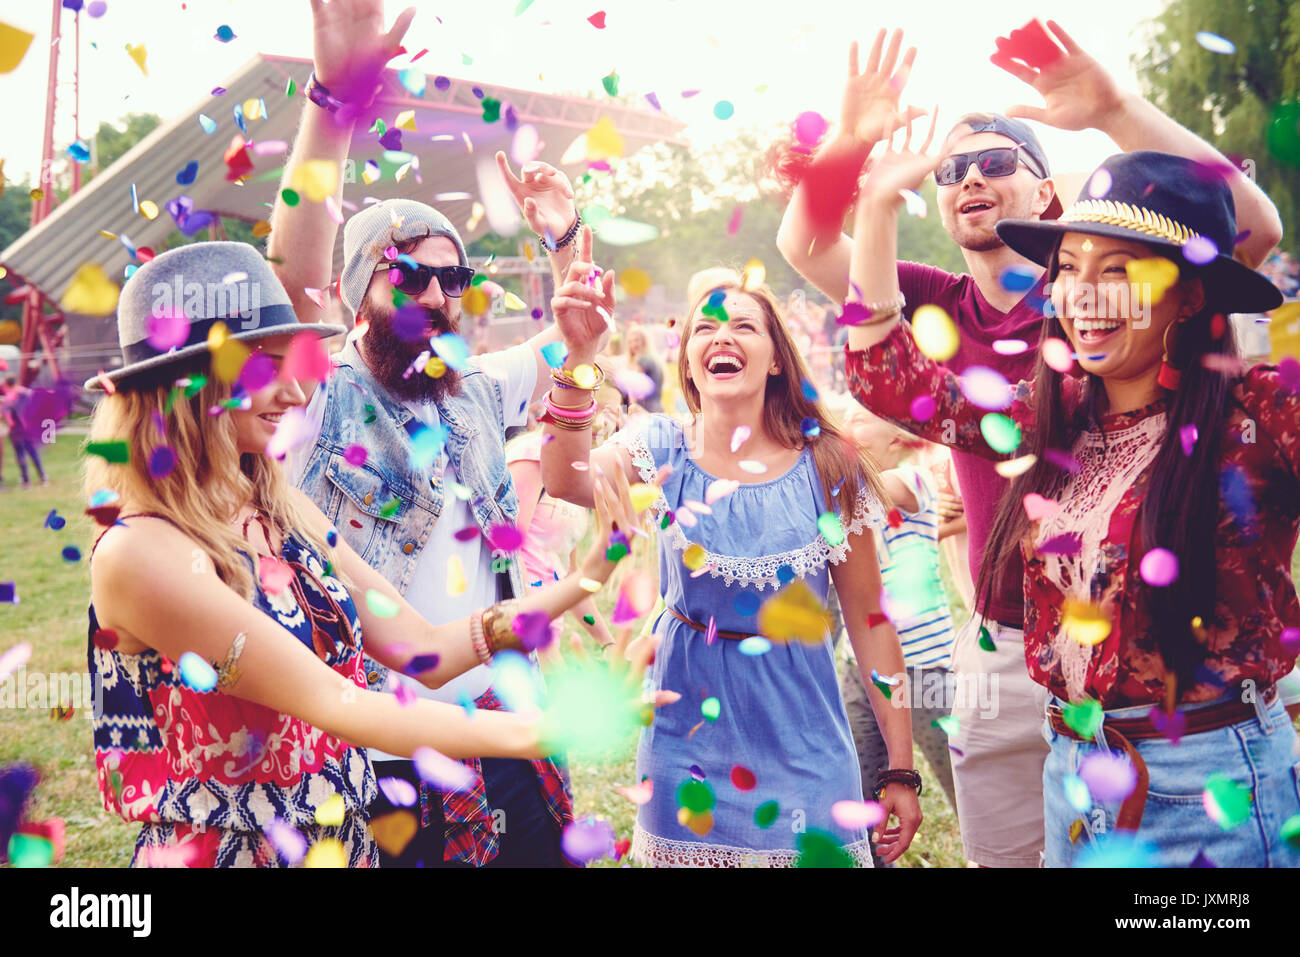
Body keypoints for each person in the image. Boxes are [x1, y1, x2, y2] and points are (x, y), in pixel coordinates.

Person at [777, 23, 1284, 867]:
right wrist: (861, 175)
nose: (1084, 295)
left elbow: (1248, 227)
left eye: (1116, 271)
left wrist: (1117, 110)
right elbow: (873, 351)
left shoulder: (1244, 405)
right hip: (1044, 701)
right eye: (949, 169)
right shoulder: (1031, 392)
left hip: (1206, 755)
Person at [82, 241, 652, 868]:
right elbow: (338, 704)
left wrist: (586, 576)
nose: (298, 393)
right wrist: (548, 731)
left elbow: (424, 649)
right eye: (268, 365)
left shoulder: (278, 511)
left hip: (342, 841)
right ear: (186, 382)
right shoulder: (139, 551)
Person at [271, 0, 612, 867]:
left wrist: (567, 236)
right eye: (408, 276)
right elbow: (296, 271)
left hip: (504, 727)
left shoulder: (476, 390)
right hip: (380, 751)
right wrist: (332, 103)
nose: (434, 296)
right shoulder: (314, 399)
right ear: (355, 291)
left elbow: (573, 324)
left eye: (451, 279)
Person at [542, 230, 922, 866]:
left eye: (743, 326)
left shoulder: (829, 465)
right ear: (688, 359)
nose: (722, 337)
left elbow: (871, 623)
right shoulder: (660, 446)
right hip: (686, 750)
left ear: (775, 358)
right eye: (704, 329)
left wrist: (901, 771)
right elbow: (565, 479)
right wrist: (581, 355)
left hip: (805, 749)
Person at [834, 399, 961, 857]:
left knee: (964, 785)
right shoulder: (844, 492)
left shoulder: (914, 480)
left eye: (860, 417)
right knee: (865, 797)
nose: (846, 423)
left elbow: (872, 486)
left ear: (898, 435)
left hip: (925, 672)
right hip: (861, 669)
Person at [2, 377, 48, 487]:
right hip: (28, 429)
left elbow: (8, 417)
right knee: (33, 453)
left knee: (20, 455)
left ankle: (26, 481)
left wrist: (9, 422)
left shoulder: (9, 398)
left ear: (7, 385)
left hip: (16, 431)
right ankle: (43, 477)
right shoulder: (26, 393)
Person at [618, 323, 664, 414]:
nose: (633, 344)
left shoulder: (644, 360)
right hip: (656, 411)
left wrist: (630, 412)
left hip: (645, 412)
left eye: (636, 340)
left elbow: (634, 389)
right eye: (630, 341)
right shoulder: (653, 359)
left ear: (644, 341)